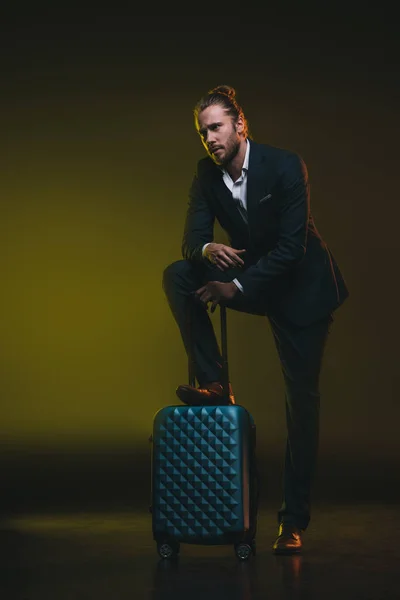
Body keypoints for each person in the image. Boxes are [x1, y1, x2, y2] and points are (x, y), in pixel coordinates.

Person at [162, 85, 349, 554]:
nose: (209, 137)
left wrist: (235, 288)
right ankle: (215, 381)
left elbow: (292, 248)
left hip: (301, 291)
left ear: (240, 125)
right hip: (252, 274)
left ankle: (292, 522)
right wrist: (207, 250)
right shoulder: (206, 174)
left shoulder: (286, 165)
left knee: (299, 406)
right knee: (179, 276)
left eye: (217, 127)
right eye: (203, 131)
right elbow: (192, 240)